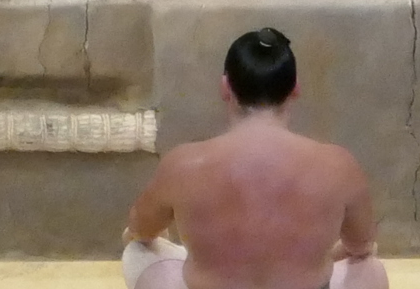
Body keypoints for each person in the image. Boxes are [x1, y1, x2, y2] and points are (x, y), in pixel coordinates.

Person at [122, 29, 387, 289]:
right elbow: (361, 245)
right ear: (295, 87)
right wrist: (316, 257)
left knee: (138, 249)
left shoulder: (183, 165)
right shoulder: (338, 165)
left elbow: (139, 229)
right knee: (370, 265)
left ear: (225, 87)